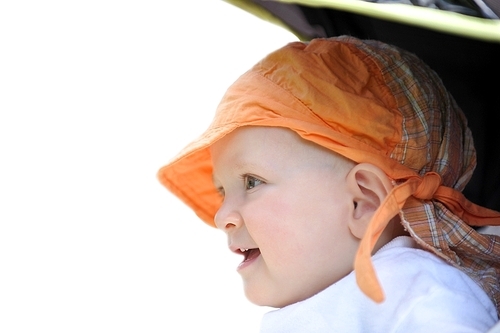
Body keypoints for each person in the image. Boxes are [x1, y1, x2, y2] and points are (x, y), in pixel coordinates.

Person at [157, 36, 500, 332]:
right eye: (221, 191)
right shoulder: (345, 295)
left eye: (252, 181)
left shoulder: (411, 288)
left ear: (362, 202)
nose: (221, 217)